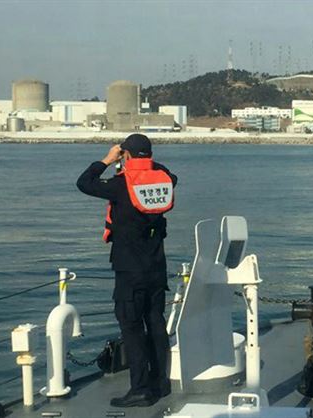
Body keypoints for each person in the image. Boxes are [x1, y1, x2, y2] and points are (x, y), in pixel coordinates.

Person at [76, 134, 177, 407]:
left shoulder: (121, 186)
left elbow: (84, 183)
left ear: (126, 156)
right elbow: (168, 173)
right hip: (157, 267)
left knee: (131, 327)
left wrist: (108, 159)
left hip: (130, 269)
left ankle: (141, 389)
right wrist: (144, 162)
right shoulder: (164, 181)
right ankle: (161, 382)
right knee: (155, 322)